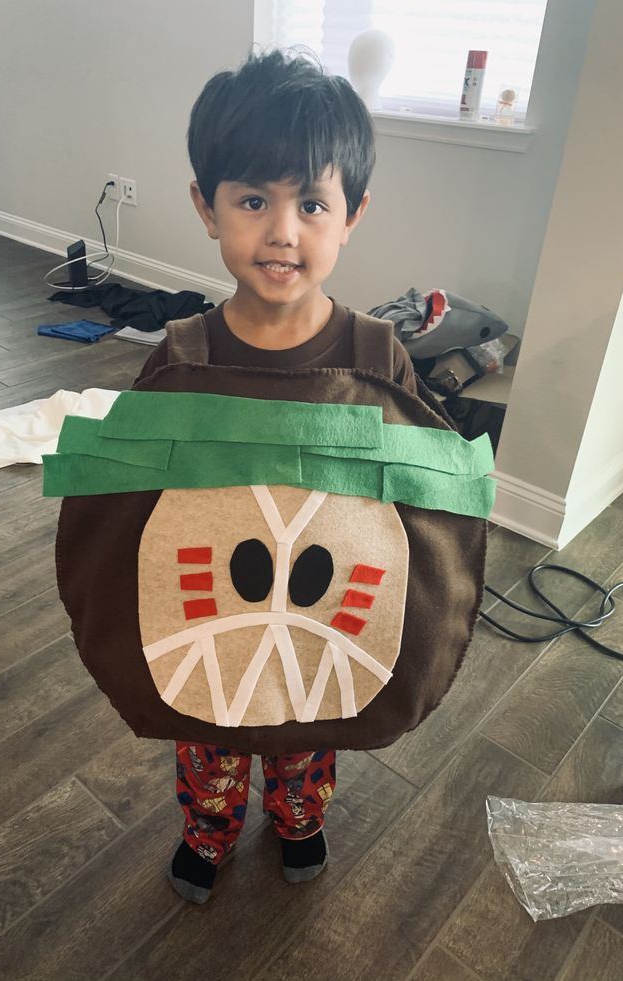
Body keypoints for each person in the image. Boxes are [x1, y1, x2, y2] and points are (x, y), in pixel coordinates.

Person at [133, 47, 418, 905]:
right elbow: (140, 501)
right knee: (209, 723)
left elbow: (406, 496)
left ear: (352, 213)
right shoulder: (183, 355)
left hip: (323, 598)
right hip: (213, 602)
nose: (282, 229)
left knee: (308, 719)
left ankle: (301, 815)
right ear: (206, 207)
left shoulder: (377, 356)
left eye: (312, 202)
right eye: (253, 199)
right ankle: (208, 828)